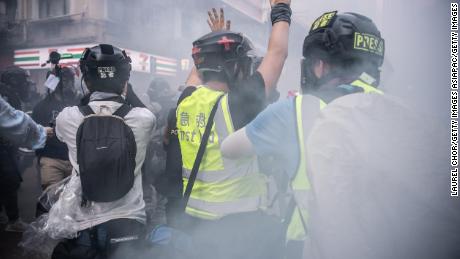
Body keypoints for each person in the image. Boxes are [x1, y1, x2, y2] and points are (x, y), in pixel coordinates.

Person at [221, 11, 460, 259]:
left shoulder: (294, 111)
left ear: (319, 65)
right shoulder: (402, 111)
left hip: (310, 245)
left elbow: (230, 148)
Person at [167, 2, 291, 258]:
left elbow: (196, 73)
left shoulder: (185, 102)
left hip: (197, 220)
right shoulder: (235, 106)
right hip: (236, 226)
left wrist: (215, 41)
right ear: (232, 67)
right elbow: (277, 55)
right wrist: (281, 9)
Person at [49, 44, 155, 259]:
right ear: (125, 81)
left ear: (86, 81)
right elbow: (137, 106)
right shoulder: (144, 119)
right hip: (129, 221)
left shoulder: (67, 118)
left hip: (85, 222)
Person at [0, 66, 40, 232]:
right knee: (11, 180)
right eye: (23, 80)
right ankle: (13, 220)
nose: (26, 84)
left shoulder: (10, 94)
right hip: (3, 146)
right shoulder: (5, 95)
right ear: (14, 81)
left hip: (7, 146)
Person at [32, 66, 79, 190]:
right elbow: (35, 134)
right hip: (51, 159)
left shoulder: (80, 103)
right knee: (52, 198)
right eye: (63, 79)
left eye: (69, 79)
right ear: (55, 82)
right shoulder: (41, 107)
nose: (67, 83)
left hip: (75, 158)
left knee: (76, 200)